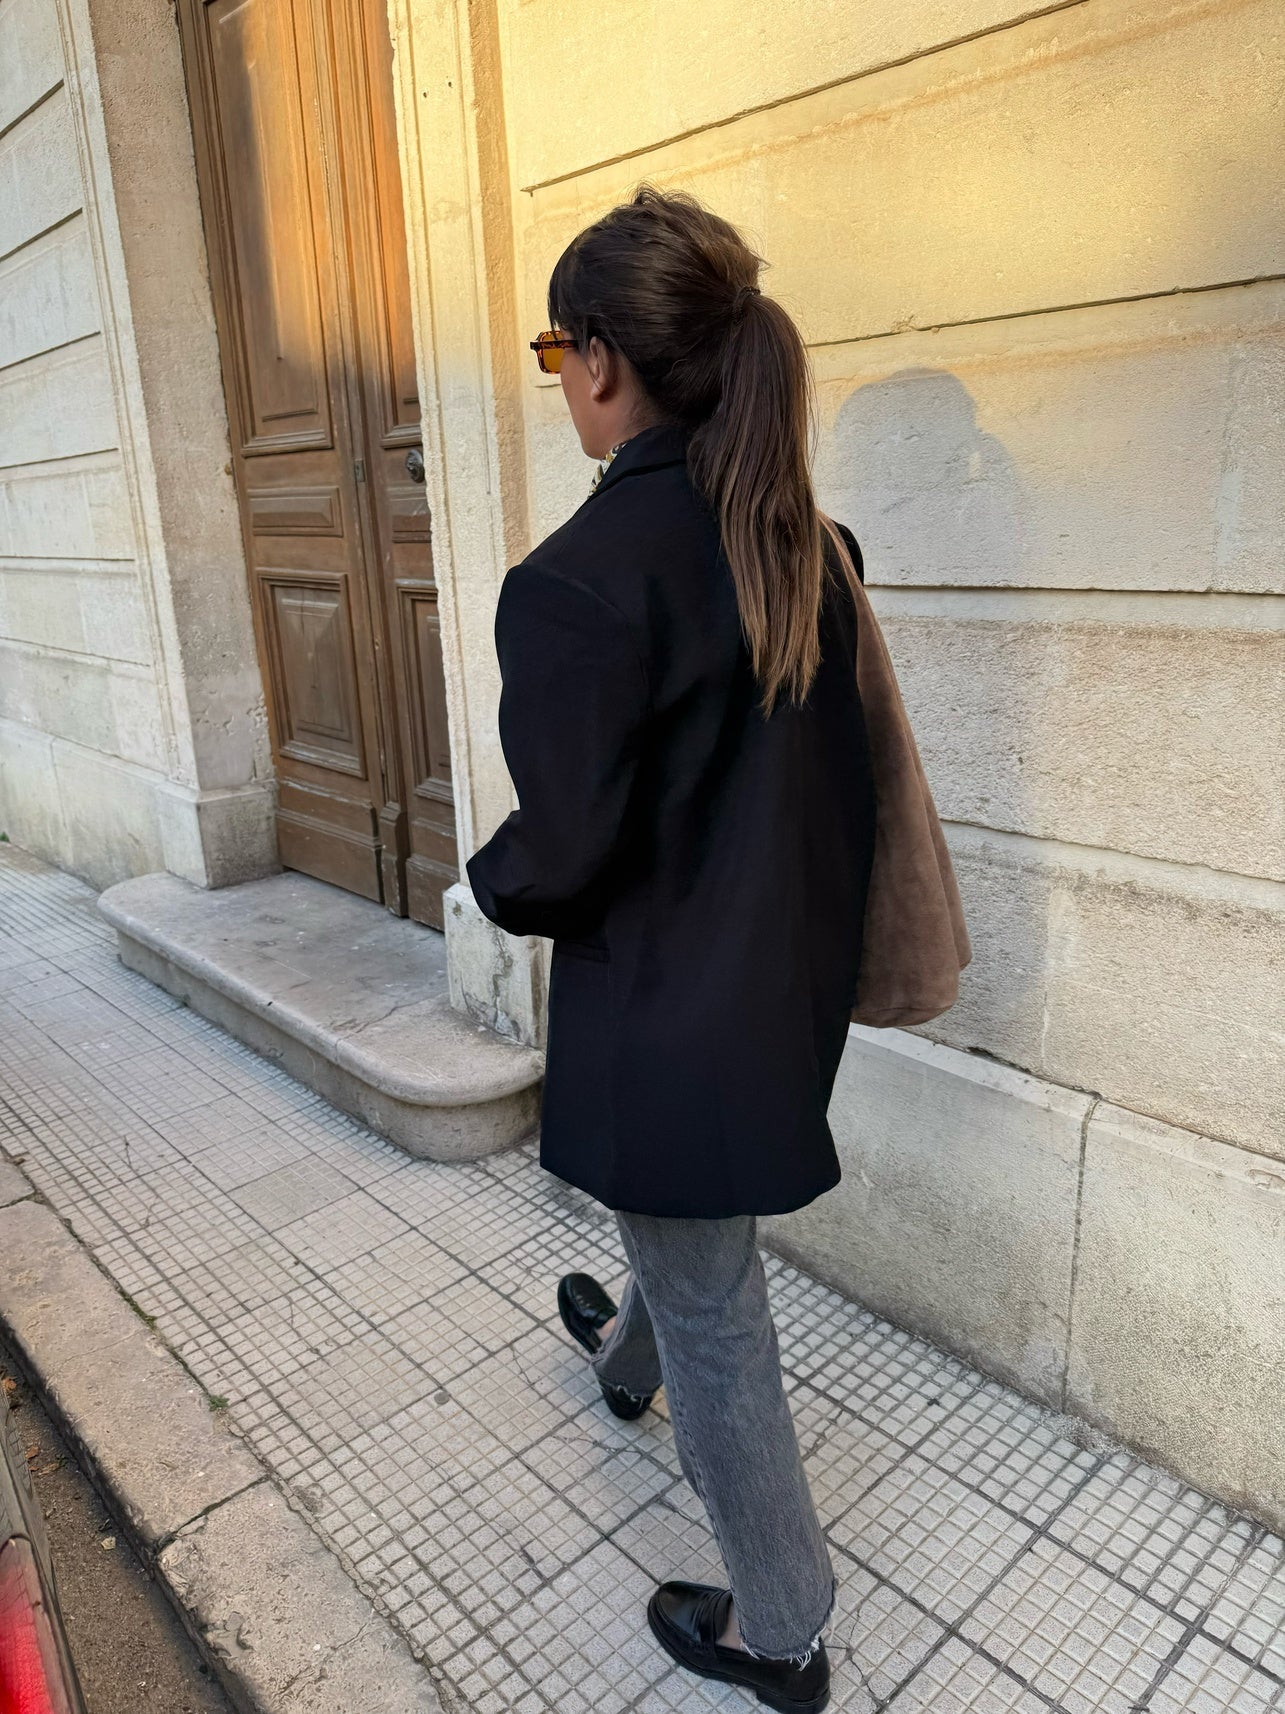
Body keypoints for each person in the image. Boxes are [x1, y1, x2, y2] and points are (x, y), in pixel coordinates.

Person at [466, 185, 877, 1714]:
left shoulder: (574, 580)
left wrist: (488, 878)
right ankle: (623, 1359)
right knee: (688, 1238)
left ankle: (782, 1628)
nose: (559, 378)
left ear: (600, 362)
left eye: (555, 352)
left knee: (715, 1303)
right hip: (781, 989)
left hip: (667, 1014)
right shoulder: (807, 544)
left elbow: (562, 851)